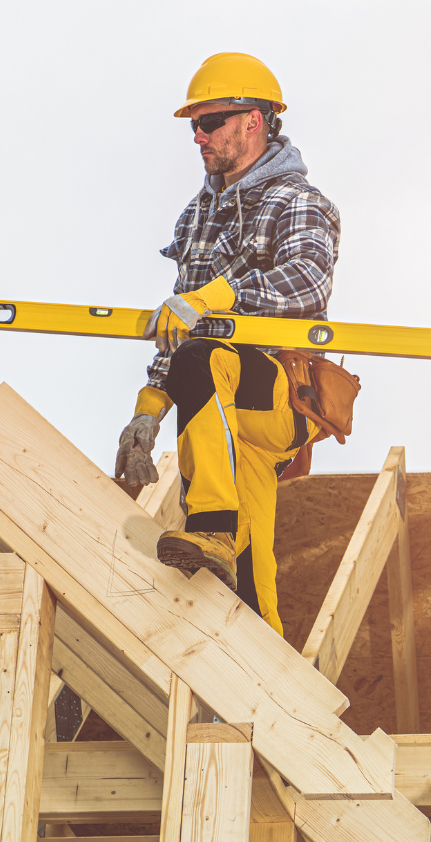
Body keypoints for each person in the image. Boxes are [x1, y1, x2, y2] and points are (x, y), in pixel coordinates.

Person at [113, 52, 341, 637]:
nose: (199, 136)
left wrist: (217, 297)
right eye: (195, 125)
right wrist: (148, 410)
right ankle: (277, 687)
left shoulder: (299, 202)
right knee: (243, 569)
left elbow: (308, 284)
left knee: (203, 355)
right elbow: (177, 323)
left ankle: (211, 521)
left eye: (211, 123)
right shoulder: (197, 218)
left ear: (254, 122)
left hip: (276, 398)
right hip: (216, 415)